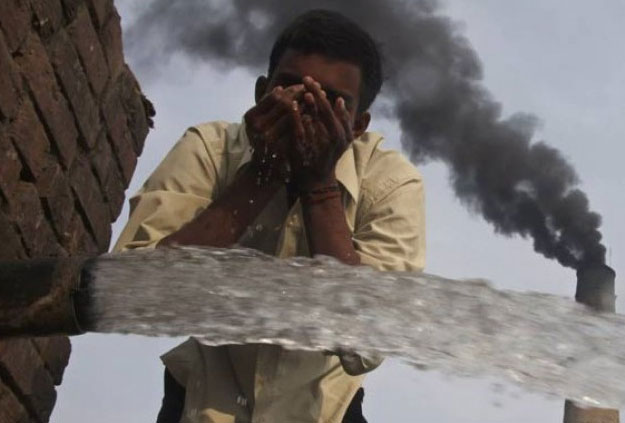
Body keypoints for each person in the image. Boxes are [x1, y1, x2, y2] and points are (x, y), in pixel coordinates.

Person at [114, 9, 425, 423]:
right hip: (200, 403)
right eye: (290, 89)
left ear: (357, 126)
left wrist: (319, 186)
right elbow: (135, 293)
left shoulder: (390, 182)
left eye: (331, 103)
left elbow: (367, 343)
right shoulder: (210, 147)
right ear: (262, 91)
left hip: (324, 412)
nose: (303, 110)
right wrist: (262, 174)